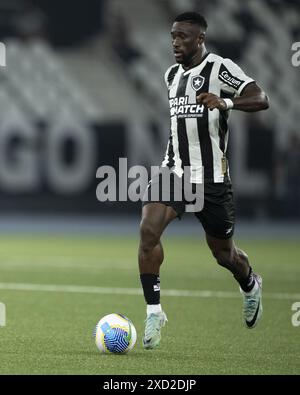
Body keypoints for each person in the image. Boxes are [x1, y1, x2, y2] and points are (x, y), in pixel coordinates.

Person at [138, 12, 269, 350]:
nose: (175, 43)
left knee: (224, 255)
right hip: (174, 171)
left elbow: (261, 98)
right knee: (148, 232)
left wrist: (225, 101)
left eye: (182, 37)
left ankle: (250, 283)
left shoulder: (219, 68)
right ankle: (154, 311)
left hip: (211, 179)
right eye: (173, 36)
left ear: (199, 39)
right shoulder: (170, 76)